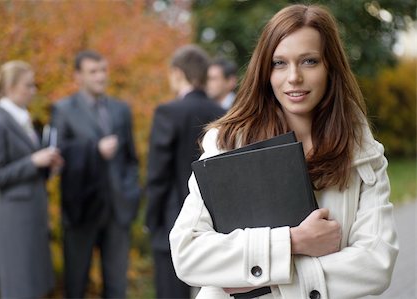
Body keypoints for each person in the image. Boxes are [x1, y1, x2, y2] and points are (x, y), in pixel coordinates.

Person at [170, 4, 398, 299]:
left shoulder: (362, 154)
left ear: (331, 68)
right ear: (265, 71)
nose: (294, 77)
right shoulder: (227, 144)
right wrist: (293, 242)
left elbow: (376, 265)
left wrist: (259, 278)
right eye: (279, 63)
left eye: (309, 61)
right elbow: (188, 254)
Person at [51, 50, 141, 298]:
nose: (101, 76)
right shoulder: (63, 109)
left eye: (103, 70)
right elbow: (57, 154)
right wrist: (94, 150)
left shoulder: (121, 110)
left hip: (117, 209)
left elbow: (131, 158)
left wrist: (130, 193)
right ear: (77, 76)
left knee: (116, 287)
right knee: (76, 285)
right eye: (93, 71)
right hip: (80, 210)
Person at [146, 45, 225, 299]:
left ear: (178, 73)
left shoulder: (168, 112)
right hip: (218, 224)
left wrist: (151, 220)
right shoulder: (224, 114)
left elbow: (158, 175)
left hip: (173, 219)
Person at [0, 60, 63, 298]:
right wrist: (33, 161)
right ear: (10, 87)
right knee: (19, 287)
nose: (33, 90)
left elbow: (28, 170)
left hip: (34, 214)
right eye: (28, 85)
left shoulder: (22, 119)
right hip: (15, 219)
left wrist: (49, 167)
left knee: (35, 286)